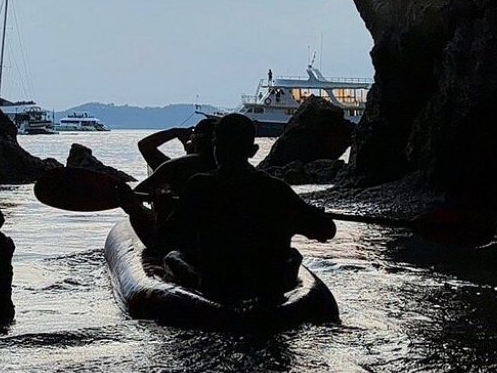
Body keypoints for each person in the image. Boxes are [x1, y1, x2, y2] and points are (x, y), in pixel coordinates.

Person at [159, 113, 335, 300]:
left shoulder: (200, 186)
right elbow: (327, 230)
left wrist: (163, 210)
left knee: (172, 257)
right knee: (292, 255)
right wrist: (312, 216)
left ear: (216, 148)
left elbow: (166, 239)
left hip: (217, 286)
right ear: (253, 150)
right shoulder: (277, 190)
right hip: (267, 290)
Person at [116, 117, 218, 247]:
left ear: (195, 141)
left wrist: (174, 132)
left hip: (176, 234)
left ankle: (158, 245)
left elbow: (134, 195)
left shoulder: (176, 167)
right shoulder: (235, 168)